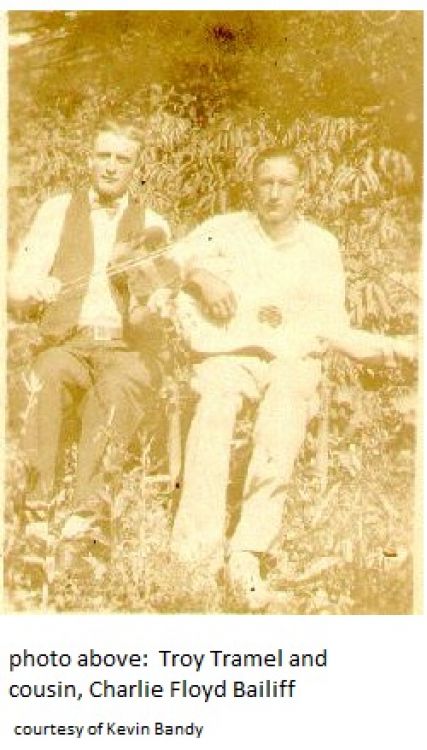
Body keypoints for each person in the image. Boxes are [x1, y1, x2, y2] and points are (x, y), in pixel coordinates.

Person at [165, 146, 416, 611]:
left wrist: (395, 350)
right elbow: (169, 261)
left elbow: (332, 328)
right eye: (266, 182)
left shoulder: (321, 246)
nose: (274, 193)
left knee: (283, 410)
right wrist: (201, 277)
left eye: (285, 183)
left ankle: (246, 555)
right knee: (216, 405)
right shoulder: (225, 229)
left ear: (301, 190)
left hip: (291, 359)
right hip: (230, 353)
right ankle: (195, 557)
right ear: (253, 186)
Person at [8, 117, 171, 590]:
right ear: (89, 160)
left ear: (136, 168)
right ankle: (37, 517)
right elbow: (15, 287)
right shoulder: (57, 210)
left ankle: (83, 523)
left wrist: (156, 304)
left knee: (114, 392)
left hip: (125, 349)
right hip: (69, 342)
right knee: (45, 375)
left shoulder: (153, 224)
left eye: (123, 159)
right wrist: (35, 288)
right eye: (104, 156)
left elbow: (154, 305)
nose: (111, 167)